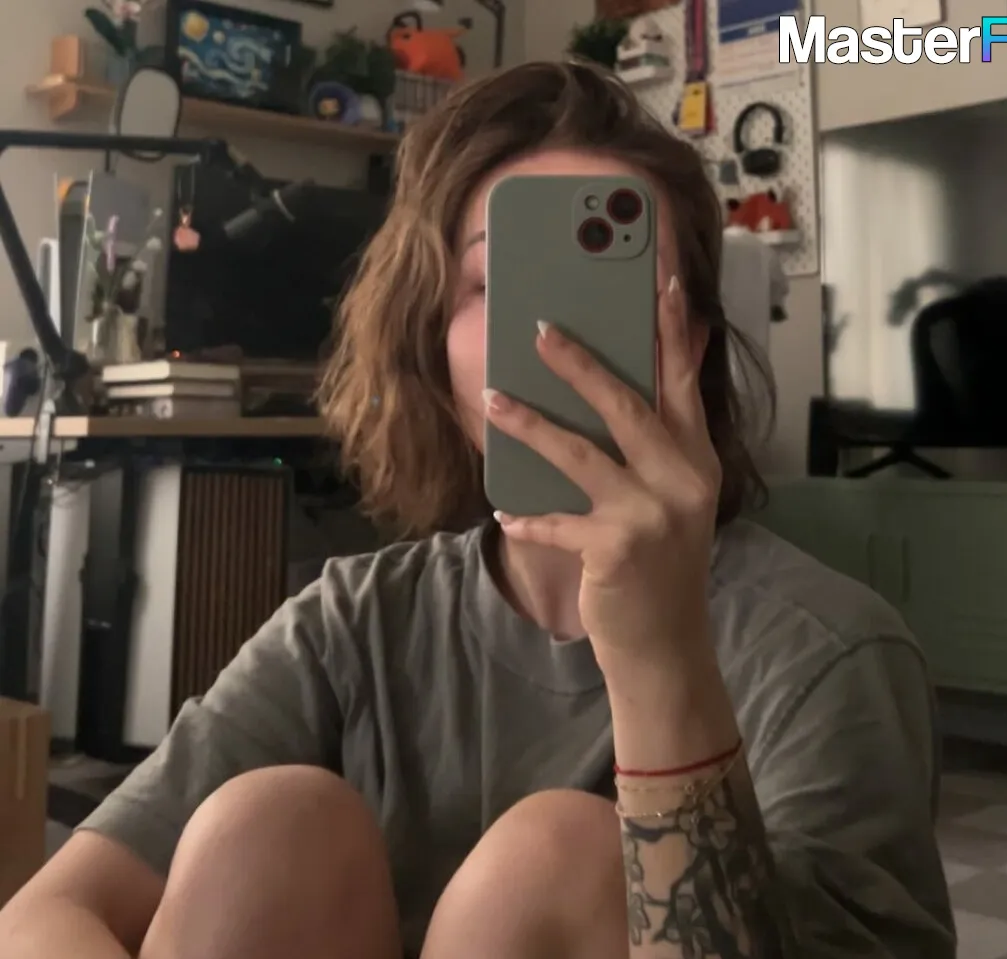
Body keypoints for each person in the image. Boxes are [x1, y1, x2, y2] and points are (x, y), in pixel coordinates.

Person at [0, 61, 955, 959]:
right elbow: (47, 912)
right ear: (430, 340)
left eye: (609, 288)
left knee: (560, 857)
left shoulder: (829, 652)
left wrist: (661, 653)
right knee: (268, 826)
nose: (550, 336)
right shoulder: (354, 623)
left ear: (691, 345)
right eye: (497, 285)